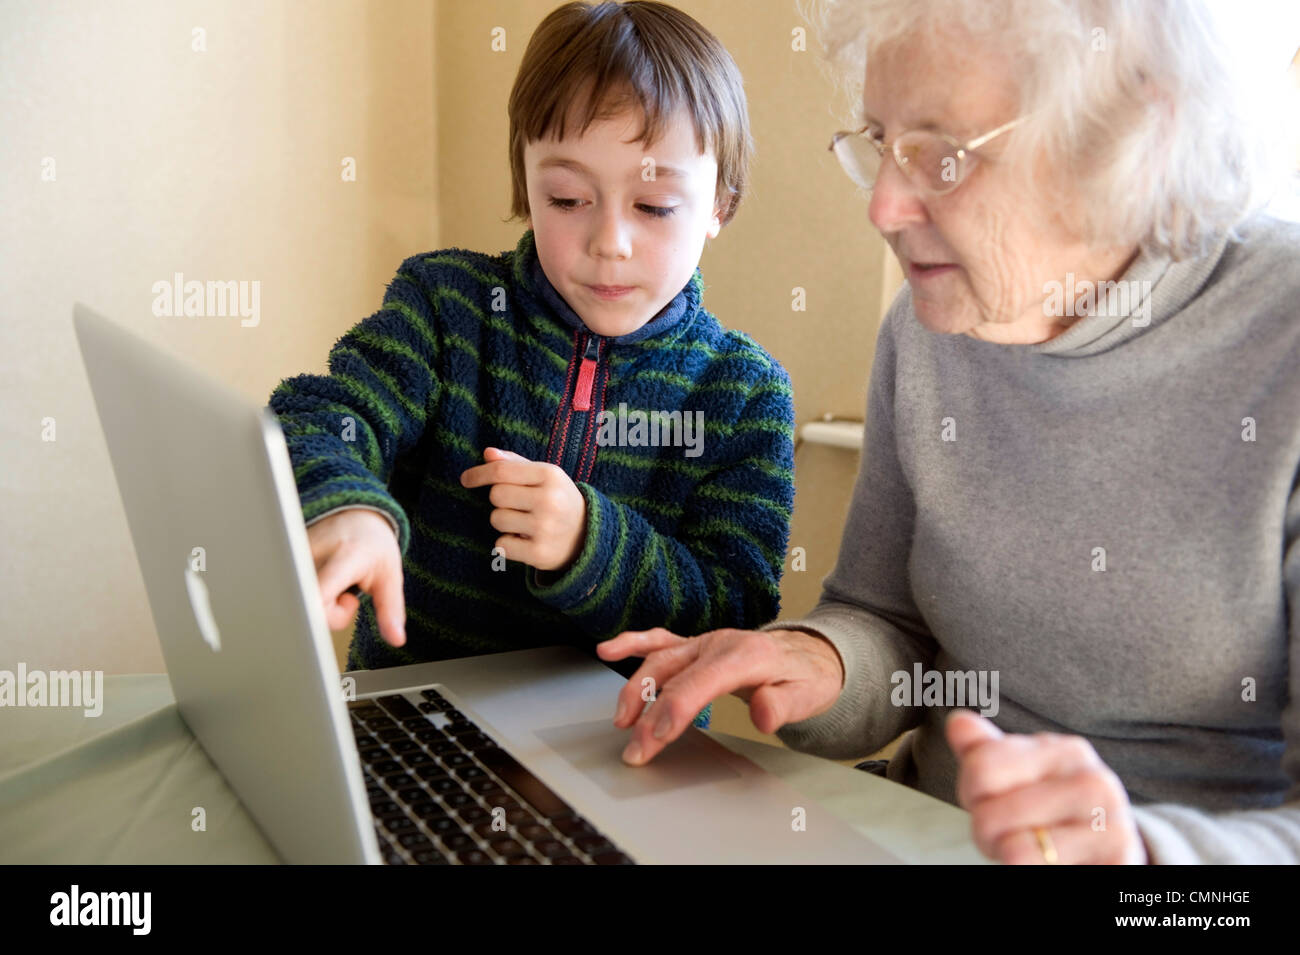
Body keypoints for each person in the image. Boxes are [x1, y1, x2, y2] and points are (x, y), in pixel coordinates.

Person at [599, 0, 1300, 863]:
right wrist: (814, 659)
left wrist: (1150, 859)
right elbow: (885, 619)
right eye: (882, 142)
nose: (885, 206)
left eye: (942, 156)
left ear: (1132, 138)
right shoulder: (930, 326)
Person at [267, 1, 794, 732]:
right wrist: (350, 505)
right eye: (568, 198)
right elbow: (311, 418)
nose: (609, 241)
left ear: (719, 207)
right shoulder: (445, 308)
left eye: (654, 205)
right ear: (525, 183)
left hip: (624, 755)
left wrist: (591, 541)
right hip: (411, 737)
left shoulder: (742, 394)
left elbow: (732, 612)